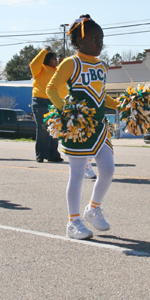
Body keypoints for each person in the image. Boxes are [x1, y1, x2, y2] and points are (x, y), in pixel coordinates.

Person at [46, 15, 119, 240]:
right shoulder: (71, 63)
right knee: (77, 175)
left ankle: (93, 208)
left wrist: (118, 104)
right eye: (95, 38)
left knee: (108, 169)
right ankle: (73, 222)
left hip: (99, 127)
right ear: (79, 40)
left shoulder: (102, 65)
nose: (99, 43)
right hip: (78, 127)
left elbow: (99, 95)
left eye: (102, 39)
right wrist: (67, 112)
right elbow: (51, 89)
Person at [30, 46, 63, 163]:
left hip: (54, 102)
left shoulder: (58, 70)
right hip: (40, 101)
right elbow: (33, 64)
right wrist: (44, 51)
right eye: (53, 59)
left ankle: (53, 154)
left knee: (54, 128)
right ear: (47, 60)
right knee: (43, 129)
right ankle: (40, 154)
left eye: (56, 59)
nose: (56, 61)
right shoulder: (40, 69)